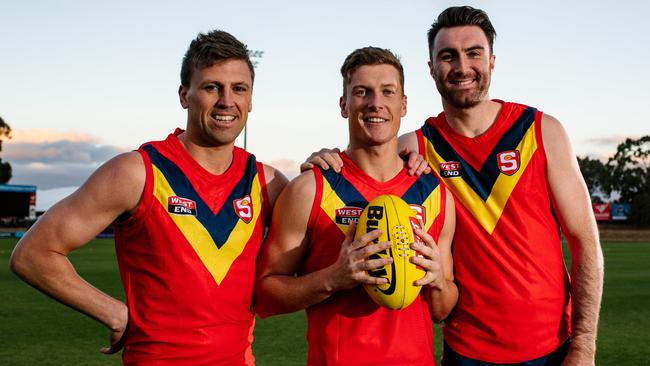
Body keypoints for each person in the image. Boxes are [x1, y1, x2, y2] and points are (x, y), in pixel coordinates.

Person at [302, 6, 604, 366]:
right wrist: (325, 158)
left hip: (552, 346)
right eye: (448, 56)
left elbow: (585, 242)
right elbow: (364, 158)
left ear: (492, 60)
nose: (462, 67)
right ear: (431, 68)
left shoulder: (541, 130)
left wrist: (584, 345)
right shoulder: (415, 147)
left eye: (473, 52)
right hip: (466, 352)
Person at [10, 30, 287, 365]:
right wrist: (112, 312)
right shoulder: (138, 172)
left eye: (239, 89)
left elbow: (304, 270)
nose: (227, 101)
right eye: (212, 87)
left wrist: (327, 167)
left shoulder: (267, 183)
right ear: (185, 95)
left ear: (251, 99)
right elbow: (33, 254)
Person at [255, 46, 457, 365]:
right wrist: (333, 278)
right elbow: (265, 296)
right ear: (344, 104)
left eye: (387, 92)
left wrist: (437, 281)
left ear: (403, 104)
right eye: (362, 92)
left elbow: (442, 309)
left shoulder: (436, 193)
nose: (376, 103)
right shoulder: (311, 189)